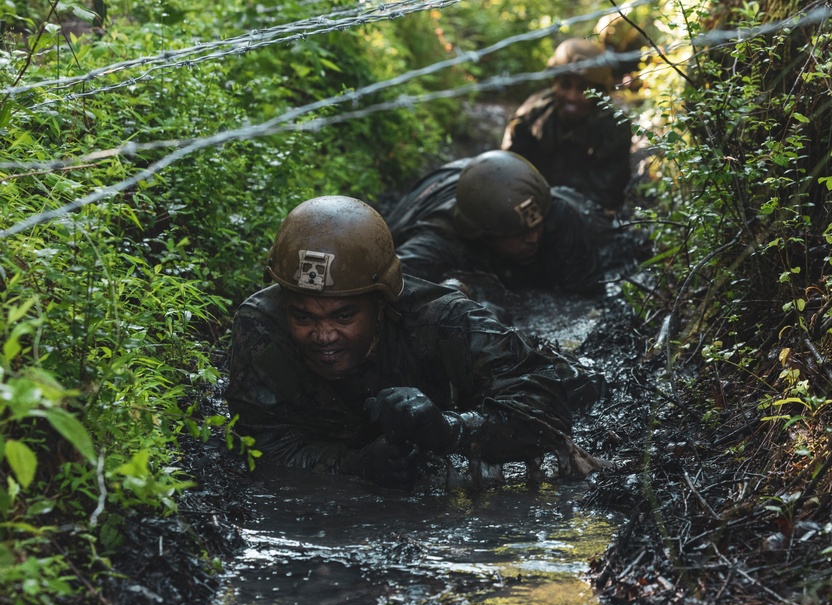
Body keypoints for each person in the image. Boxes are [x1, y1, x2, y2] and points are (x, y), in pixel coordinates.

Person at [224, 195, 605, 489]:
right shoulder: (261, 328)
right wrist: (355, 465)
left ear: (380, 301)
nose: (323, 336)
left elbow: (544, 407)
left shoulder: (442, 317)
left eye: (344, 316)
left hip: (473, 397)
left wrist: (449, 429)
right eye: (303, 316)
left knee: (583, 383)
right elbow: (262, 443)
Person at [386, 150, 607, 295]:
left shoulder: (555, 213)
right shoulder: (441, 241)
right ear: (482, 234)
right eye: (518, 233)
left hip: (494, 179)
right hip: (438, 190)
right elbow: (387, 284)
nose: (533, 238)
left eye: (537, 226)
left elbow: (590, 291)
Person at [501, 37, 633, 213]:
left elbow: (606, 196)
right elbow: (507, 171)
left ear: (599, 92)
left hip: (583, 214)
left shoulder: (613, 129)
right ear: (554, 84)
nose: (572, 97)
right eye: (565, 85)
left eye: (583, 89)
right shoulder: (531, 115)